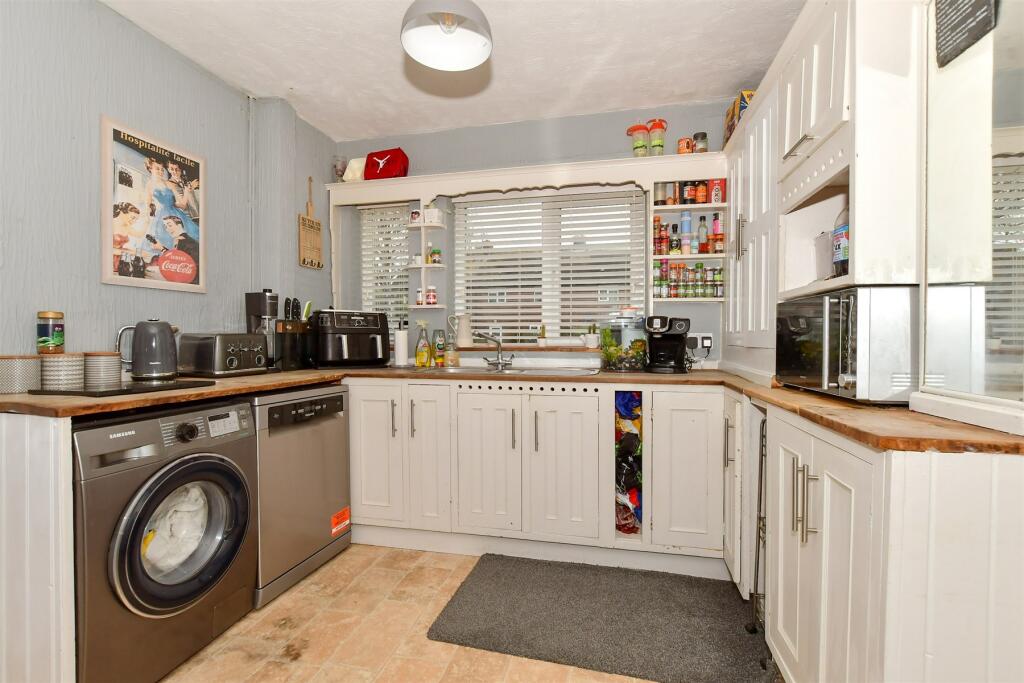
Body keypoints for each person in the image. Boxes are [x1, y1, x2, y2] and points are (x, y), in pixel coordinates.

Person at [144, 157, 200, 249]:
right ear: (150, 169)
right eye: (157, 169)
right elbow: (148, 206)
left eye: (162, 169)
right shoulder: (149, 185)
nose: (160, 172)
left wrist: (187, 190)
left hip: (176, 216)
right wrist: (149, 218)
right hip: (160, 219)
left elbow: (182, 205)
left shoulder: (169, 184)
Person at [154, 216, 200, 285]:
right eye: (165, 227)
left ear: (179, 225)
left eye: (170, 225)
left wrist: (162, 249)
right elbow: (176, 258)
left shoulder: (185, 241)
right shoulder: (181, 239)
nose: (167, 229)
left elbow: (177, 263)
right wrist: (161, 248)